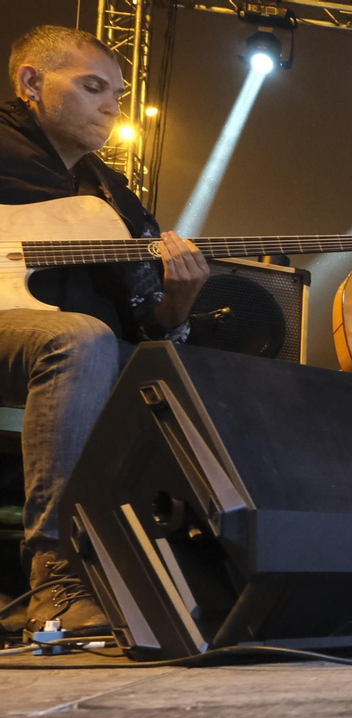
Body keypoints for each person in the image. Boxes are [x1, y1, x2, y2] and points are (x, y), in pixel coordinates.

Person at [0, 26, 212, 635]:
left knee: (189, 376)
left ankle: (190, 575)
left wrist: (178, 299)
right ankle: (57, 576)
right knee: (82, 337)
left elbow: (151, 325)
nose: (111, 105)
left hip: (57, 346)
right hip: (47, 339)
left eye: (117, 94)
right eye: (93, 87)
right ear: (31, 82)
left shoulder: (112, 198)